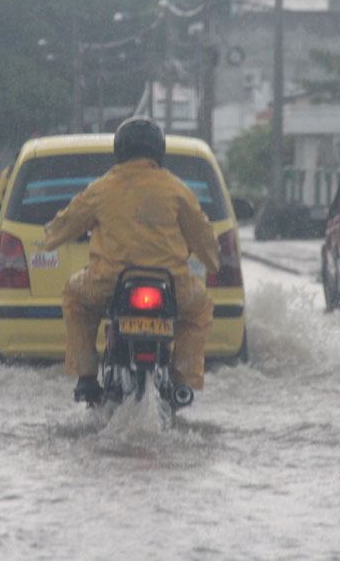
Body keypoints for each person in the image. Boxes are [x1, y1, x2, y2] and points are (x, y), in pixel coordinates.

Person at [42, 116, 220, 403]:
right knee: (200, 310)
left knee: (74, 297)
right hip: (172, 286)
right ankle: (183, 380)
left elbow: (65, 225)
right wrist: (212, 263)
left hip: (109, 284)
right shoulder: (177, 189)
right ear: (159, 151)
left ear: (120, 151)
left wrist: (51, 238)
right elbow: (202, 234)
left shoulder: (101, 188)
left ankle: (86, 376)